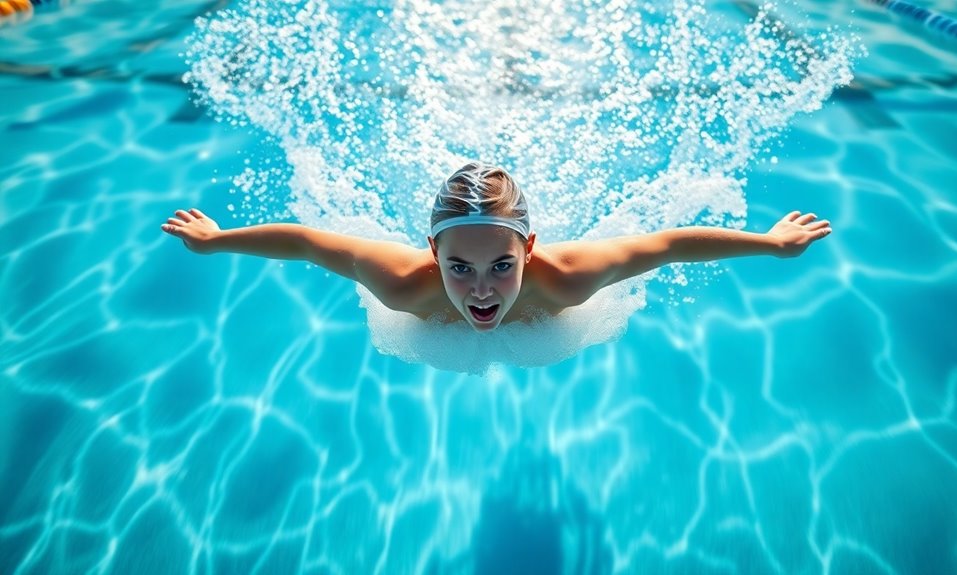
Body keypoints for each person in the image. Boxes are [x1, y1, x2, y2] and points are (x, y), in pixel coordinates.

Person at [161, 162, 832, 332]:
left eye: (501, 266)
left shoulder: (565, 278)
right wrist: (217, 241)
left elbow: (664, 244)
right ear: (430, 251)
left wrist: (770, 245)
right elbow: (308, 242)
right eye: (459, 266)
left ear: (530, 249)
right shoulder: (403, 283)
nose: (480, 288)